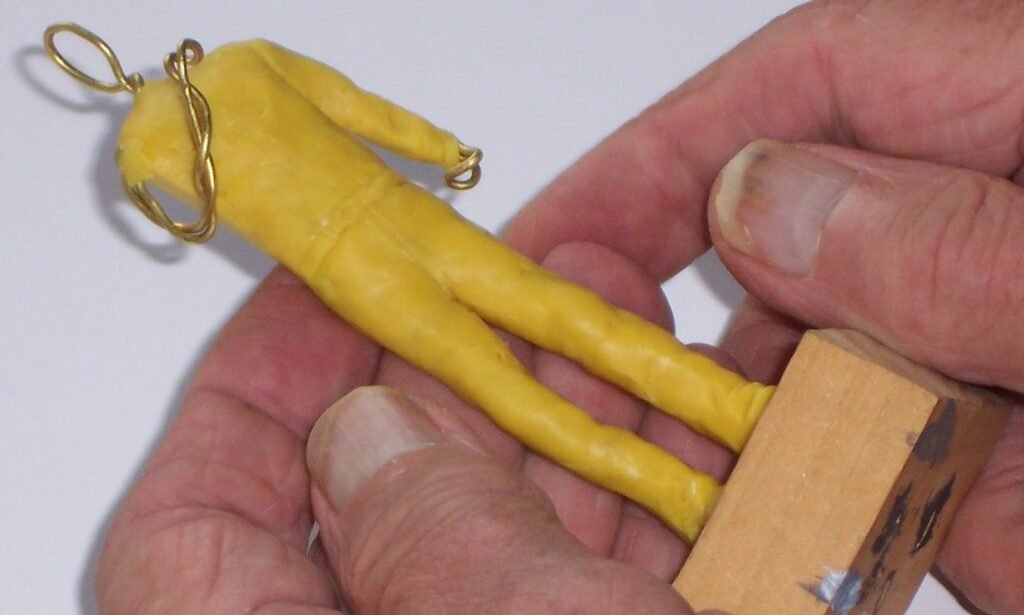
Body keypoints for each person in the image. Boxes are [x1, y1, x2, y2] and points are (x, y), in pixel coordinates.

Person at [94, 2, 1024, 613]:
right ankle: (730, 435)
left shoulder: (156, 143)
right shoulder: (236, 66)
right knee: (564, 333)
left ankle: (707, 479)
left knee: (523, 388)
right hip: (387, 229)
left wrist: (436, 146)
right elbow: (355, 109)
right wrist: (441, 148)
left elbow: (199, 210)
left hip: (359, 257)